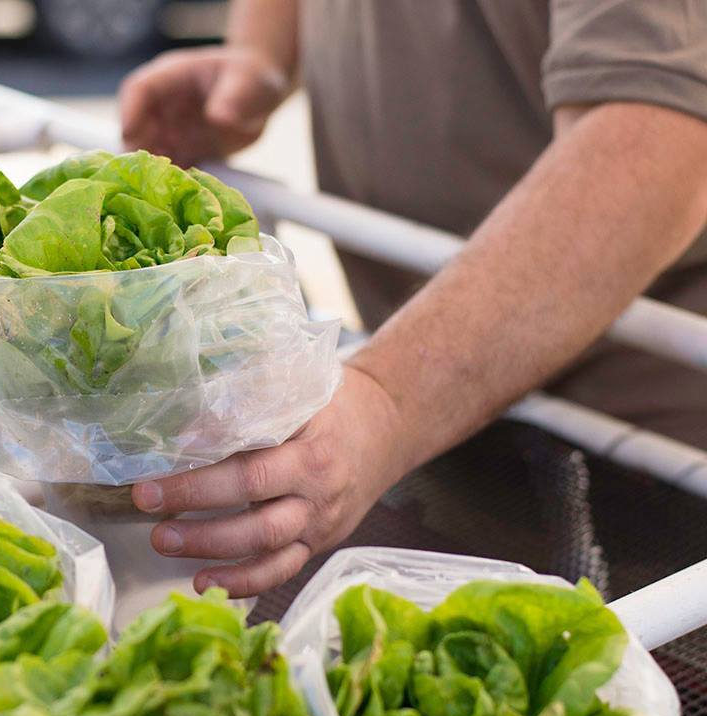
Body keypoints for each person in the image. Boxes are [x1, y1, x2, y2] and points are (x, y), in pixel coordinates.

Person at [119, 0, 707, 598]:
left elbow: (654, 147)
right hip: (440, 419)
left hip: (649, 470)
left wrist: (387, 403)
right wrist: (261, 55)